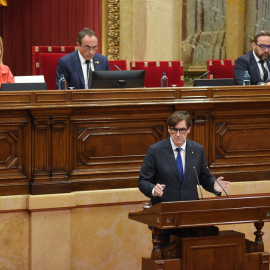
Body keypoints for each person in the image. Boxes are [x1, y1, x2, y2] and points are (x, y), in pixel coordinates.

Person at [138, 111, 230, 247]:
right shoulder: (155, 151)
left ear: (189, 130)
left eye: (182, 130)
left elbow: (204, 177)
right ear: (169, 129)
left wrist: (214, 186)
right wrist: (153, 189)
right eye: (174, 130)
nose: (178, 134)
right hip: (165, 218)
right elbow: (143, 181)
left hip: (190, 217)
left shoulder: (197, 150)